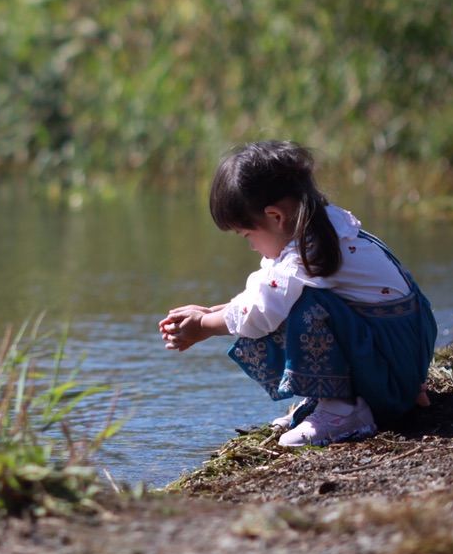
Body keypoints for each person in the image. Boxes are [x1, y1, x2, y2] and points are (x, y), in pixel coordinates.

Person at [158, 140, 437, 447]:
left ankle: (343, 411)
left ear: (275, 216)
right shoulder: (330, 226)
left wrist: (203, 327)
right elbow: (265, 290)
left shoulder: (305, 257)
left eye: (248, 234)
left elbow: (261, 313)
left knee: (305, 307)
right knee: (295, 302)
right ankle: (351, 397)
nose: (251, 245)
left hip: (392, 373)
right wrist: (211, 312)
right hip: (401, 360)